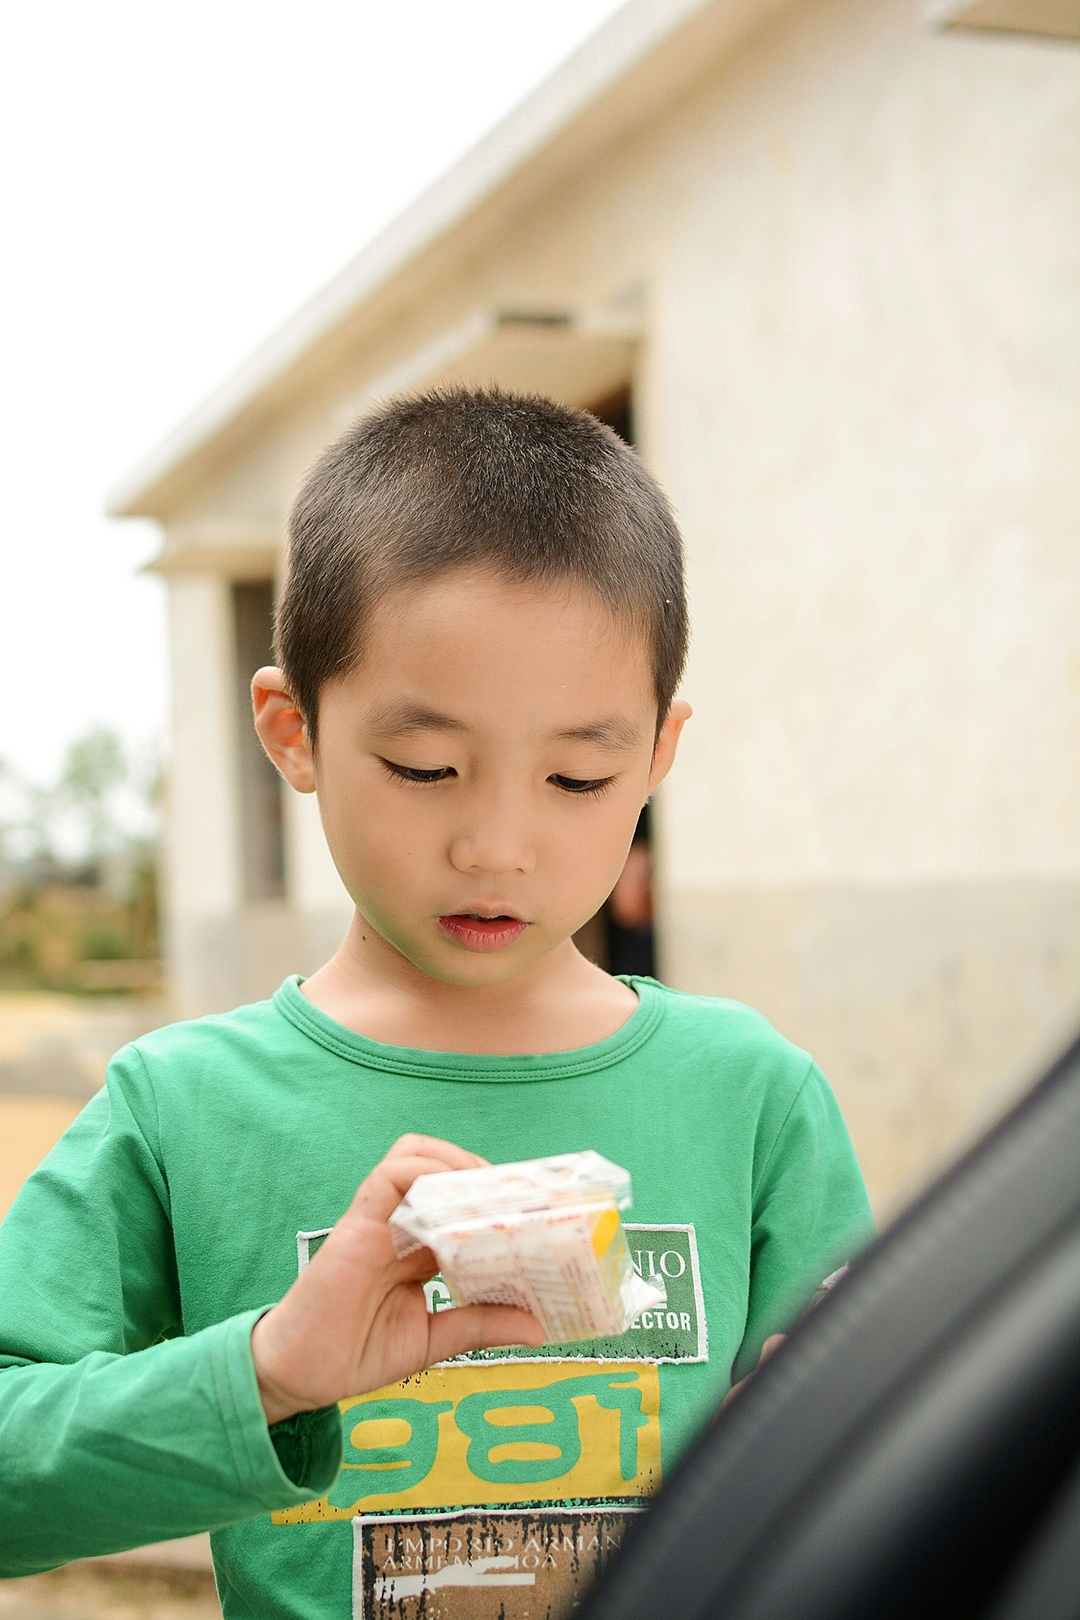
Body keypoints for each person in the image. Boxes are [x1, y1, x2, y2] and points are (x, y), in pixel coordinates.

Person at [0, 389, 874, 1618]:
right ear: (292, 729)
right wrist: (266, 1375)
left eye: (580, 774)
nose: (498, 845)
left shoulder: (752, 1100)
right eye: (425, 768)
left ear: (660, 755)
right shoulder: (179, 1111)